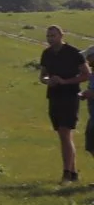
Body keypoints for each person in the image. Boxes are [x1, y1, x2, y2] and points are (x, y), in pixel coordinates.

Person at [39, 25, 88, 183]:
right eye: (48, 36)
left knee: (65, 132)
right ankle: (73, 172)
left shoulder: (74, 53)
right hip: (54, 96)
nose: (50, 39)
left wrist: (65, 81)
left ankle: (66, 172)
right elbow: (42, 76)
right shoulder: (46, 54)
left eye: (53, 35)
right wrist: (48, 81)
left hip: (70, 96)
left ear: (61, 35)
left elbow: (86, 75)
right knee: (63, 135)